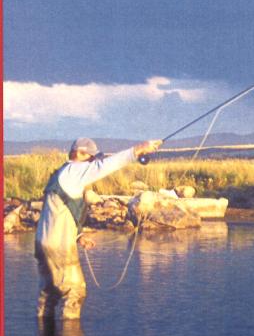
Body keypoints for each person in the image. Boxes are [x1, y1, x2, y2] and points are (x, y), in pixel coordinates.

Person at [35, 136, 162, 318]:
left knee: (48, 294)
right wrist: (137, 150)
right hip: (59, 247)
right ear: (79, 153)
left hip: (43, 244)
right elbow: (105, 167)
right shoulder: (74, 170)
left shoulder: (61, 174)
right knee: (75, 292)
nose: (93, 162)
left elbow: (58, 213)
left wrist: (78, 237)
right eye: (91, 158)